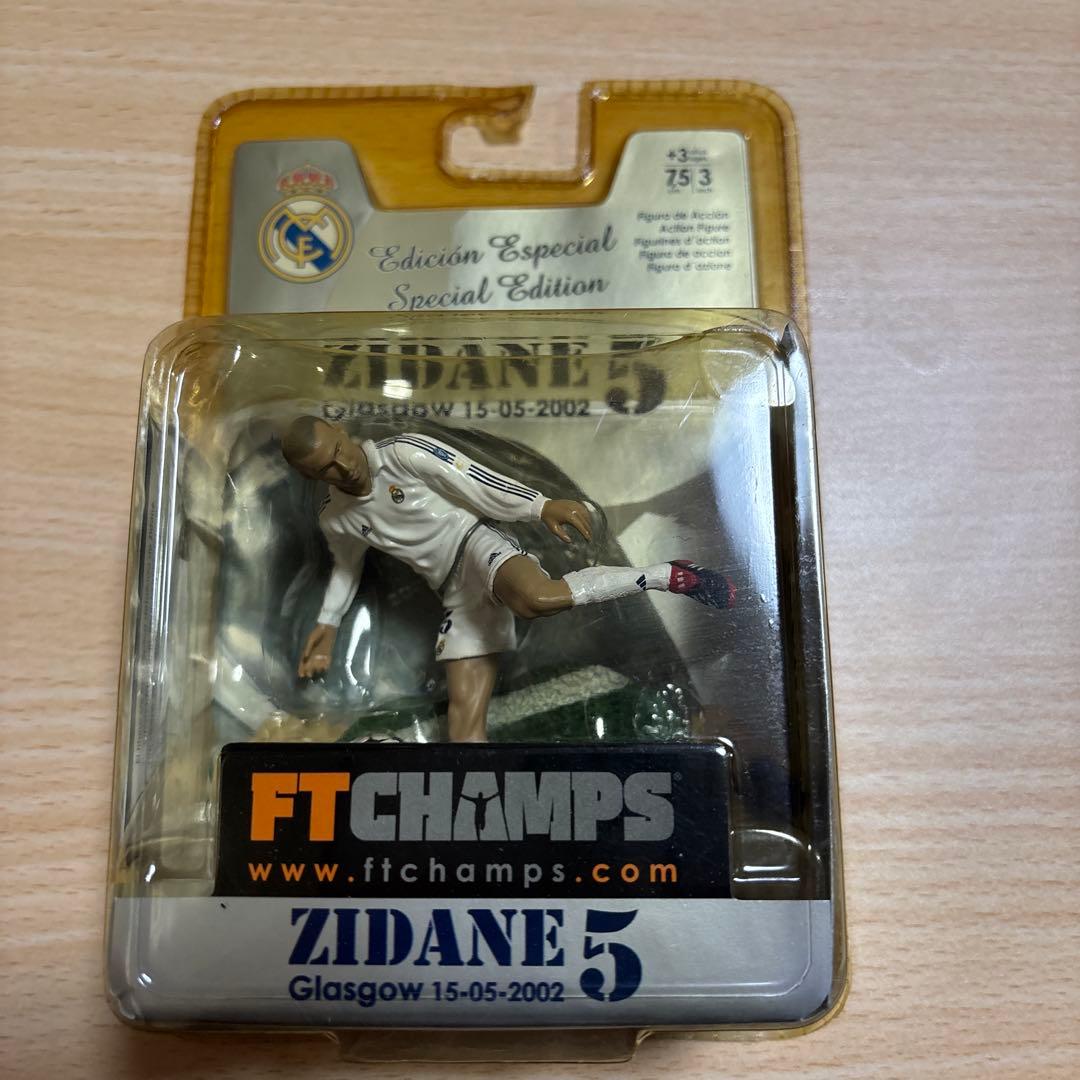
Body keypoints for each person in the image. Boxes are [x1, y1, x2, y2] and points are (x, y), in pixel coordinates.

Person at [282, 416, 734, 742]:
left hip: (478, 545)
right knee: (463, 725)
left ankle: (666, 575)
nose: (342, 467)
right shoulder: (336, 518)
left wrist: (539, 506)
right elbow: (346, 567)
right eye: (325, 469)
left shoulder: (405, 453)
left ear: (340, 432)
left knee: (536, 598)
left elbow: (474, 479)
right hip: (453, 591)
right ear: (311, 475)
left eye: (338, 452)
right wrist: (328, 624)